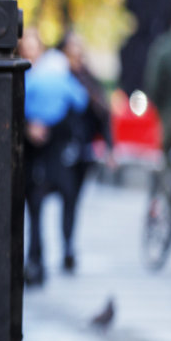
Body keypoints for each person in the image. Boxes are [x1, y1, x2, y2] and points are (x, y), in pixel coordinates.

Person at [21, 29, 88, 287]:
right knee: (34, 209)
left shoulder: (56, 76)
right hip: (33, 156)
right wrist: (30, 127)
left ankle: (63, 249)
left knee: (62, 201)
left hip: (54, 153)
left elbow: (80, 109)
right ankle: (36, 260)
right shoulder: (31, 77)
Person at [56, 33, 112, 273]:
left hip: (83, 150)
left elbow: (104, 115)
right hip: (59, 148)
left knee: (72, 201)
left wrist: (110, 148)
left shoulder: (89, 80)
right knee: (62, 196)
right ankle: (53, 248)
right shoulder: (57, 77)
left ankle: (68, 246)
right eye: (72, 49)